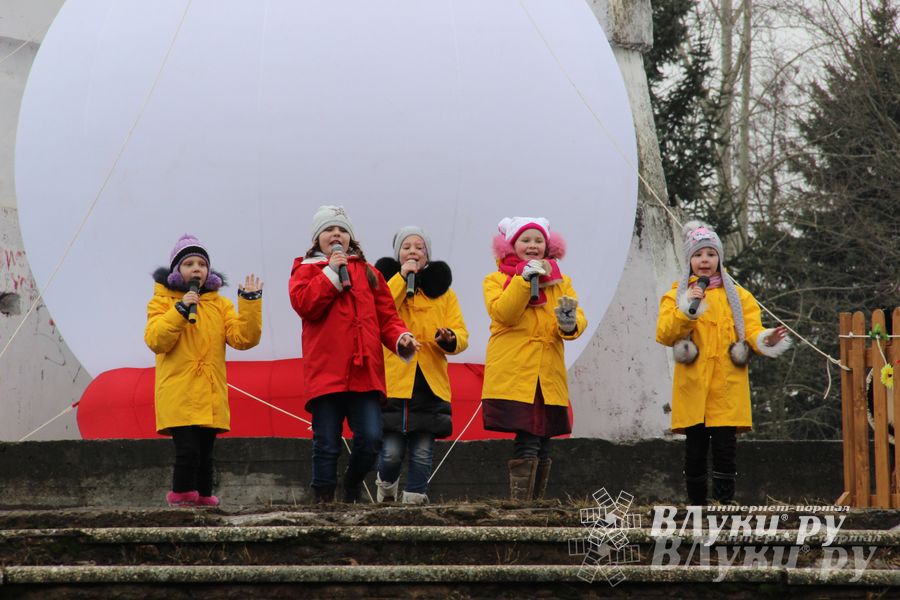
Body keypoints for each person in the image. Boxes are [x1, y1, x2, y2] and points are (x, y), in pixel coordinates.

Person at [289, 206, 420, 503]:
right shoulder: (305, 269)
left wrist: (401, 338)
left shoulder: (370, 273)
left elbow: (387, 317)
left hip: (365, 372)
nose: (337, 235)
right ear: (316, 238)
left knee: (371, 440)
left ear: (351, 238)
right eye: (329, 230)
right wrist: (331, 273)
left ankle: (350, 487)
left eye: (343, 230)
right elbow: (305, 305)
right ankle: (323, 500)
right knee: (326, 443)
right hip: (326, 370)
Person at [656, 220, 791, 505]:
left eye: (710, 254)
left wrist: (767, 340)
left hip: (727, 386)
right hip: (693, 386)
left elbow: (752, 330)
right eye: (698, 255)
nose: (705, 261)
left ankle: (724, 504)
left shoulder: (739, 296)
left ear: (719, 258)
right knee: (694, 450)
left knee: (725, 449)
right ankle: (696, 506)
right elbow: (665, 333)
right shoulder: (676, 295)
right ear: (689, 261)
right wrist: (686, 309)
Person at [145, 233, 263, 507]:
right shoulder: (161, 302)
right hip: (178, 393)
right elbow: (156, 340)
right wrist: (181, 309)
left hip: (209, 394)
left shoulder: (220, 305)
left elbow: (243, 339)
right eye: (189, 264)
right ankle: (183, 499)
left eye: (201, 263)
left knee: (206, 453)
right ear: (176, 270)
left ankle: (204, 499)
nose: (197, 268)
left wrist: (250, 302)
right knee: (187, 451)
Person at [481, 216, 586, 501]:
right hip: (516, 371)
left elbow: (576, 319)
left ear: (547, 246)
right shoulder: (496, 280)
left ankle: (535, 502)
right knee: (528, 436)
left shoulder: (561, 282)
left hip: (547, 372)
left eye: (538, 240)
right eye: (525, 240)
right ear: (511, 246)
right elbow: (504, 313)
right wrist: (524, 281)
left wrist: (568, 323)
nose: (532, 246)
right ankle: (522, 504)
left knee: (544, 438)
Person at [372, 226, 469, 504]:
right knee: (390, 451)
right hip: (393, 380)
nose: (413, 252)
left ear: (428, 256)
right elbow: (378, 309)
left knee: (423, 450)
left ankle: (415, 500)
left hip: (429, 382)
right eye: (407, 247)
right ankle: (386, 488)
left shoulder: (445, 295)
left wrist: (450, 339)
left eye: (419, 247)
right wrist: (403, 279)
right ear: (397, 255)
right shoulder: (388, 285)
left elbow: (461, 333)